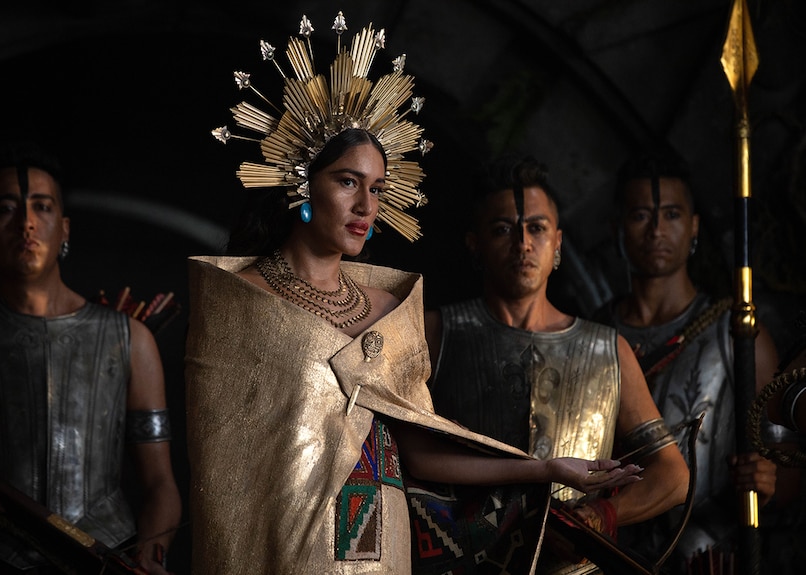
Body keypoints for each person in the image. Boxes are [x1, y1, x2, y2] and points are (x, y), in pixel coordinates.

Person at [186, 16, 643, 575]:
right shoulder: (238, 301)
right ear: (303, 183)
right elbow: (220, 471)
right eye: (347, 182)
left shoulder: (390, 313)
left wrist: (547, 470)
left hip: (383, 544)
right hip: (284, 548)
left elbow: (422, 452)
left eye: (377, 188)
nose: (367, 206)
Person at [424, 153, 690, 574]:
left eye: (536, 228)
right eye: (502, 229)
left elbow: (673, 475)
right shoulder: (435, 334)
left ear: (558, 243)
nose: (523, 243)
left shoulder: (608, 349)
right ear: (474, 243)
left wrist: (600, 518)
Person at [0, 141, 181, 574]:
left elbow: (160, 483)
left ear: (66, 228)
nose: (26, 224)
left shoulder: (130, 338)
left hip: (103, 555)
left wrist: (152, 550)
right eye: (5, 209)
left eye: (42, 207)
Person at [592, 151, 792, 574]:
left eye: (672, 214)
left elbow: (786, 456)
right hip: (605, 550)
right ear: (616, 229)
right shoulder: (589, 335)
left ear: (694, 226)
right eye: (641, 215)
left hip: (707, 556)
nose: (657, 230)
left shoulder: (736, 331)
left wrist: (769, 478)